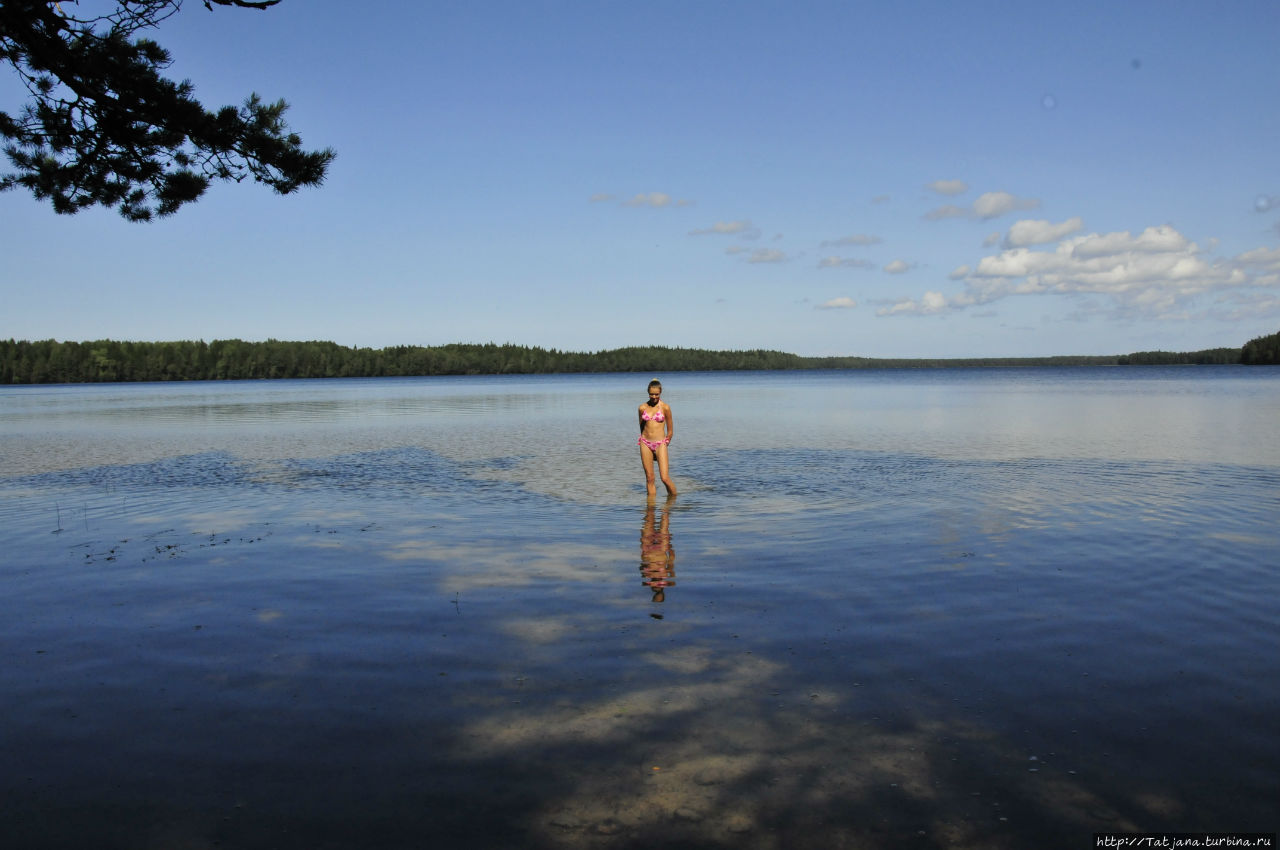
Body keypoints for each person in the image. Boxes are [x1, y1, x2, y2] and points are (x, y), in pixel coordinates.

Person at [638, 379, 677, 498]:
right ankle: (651, 509)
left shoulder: (665, 408)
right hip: (645, 443)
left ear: (660, 393)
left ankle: (674, 500)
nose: (654, 396)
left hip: (660, 444)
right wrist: (645, 441)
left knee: (664, 478)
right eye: (651, 394)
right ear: (648, 393)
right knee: (650, 478)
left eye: (656, 394)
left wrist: (665, 443)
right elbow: (642, 427)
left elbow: (670, 431)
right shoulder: (642, 408)